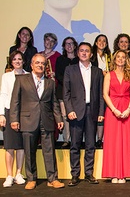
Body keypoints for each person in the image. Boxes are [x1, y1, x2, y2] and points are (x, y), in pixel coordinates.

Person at [9, 53, 64, 190]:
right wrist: (14, 119)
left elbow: (54, 103)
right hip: (28, 120)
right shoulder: (21, 79)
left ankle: (53, 179)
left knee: (49, 151)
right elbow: (15, 101)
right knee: (29, 150)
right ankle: (31, 179)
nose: (40, 65)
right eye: (37, 63)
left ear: (45, 66)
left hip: (46, 120)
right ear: (32, 65)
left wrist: (59, 118)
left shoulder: (50, 83)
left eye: (43, 63)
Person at [63, 42, 104, 186]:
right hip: (75, 112)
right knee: (74, 144)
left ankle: (89, 173)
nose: (84, 53)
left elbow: (100, 95)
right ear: (77, 53)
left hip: (91, 111)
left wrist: (100, 112)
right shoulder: (70, 70)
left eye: (87, 51)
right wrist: (69, 110)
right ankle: (75, 175)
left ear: (91, 54)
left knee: (90, 145)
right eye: (81, 51)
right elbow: (66, 93)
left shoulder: (98, 72)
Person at [102, 50, 130, 183]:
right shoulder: (108, 75)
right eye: (118, 57)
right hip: (112, 110)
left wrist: (129, 109)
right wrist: (114, 110)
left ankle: (124, 174)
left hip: (126, 109)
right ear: (114, 59)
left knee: (126, 141)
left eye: (123, 57)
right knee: (112, 142)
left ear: (126, 59)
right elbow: (105, 94)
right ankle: (113, 173)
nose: (121, 59)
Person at [0, 51, 27, 187]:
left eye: (20, 59)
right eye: (14, 59)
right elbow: (3, 94)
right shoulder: (6, 76)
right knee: (10, 146)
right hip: (9, 111)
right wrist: (1, 114)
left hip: (24, 113)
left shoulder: (28, 75)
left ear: (23, 61)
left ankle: (18, 173)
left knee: (21, 146)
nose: (17, 61)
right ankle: (9, 175)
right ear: (11, 62)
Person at [55, 37, 79, 148]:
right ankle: (66, 140)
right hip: (63, 92)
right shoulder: (60, 59)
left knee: (77, 115)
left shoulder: (79, 60)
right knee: (65, 116)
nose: (69, 46)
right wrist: (68, 82)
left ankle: (76, 140)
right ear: (64, 46)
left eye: (71, 44)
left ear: (75, 46)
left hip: (78, 93)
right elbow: (58, 75)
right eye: (67, 44)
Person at [91, 34, 112, 148]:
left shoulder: (109, 57)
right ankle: (92, 138)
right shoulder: (91, 55)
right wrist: (101, 73)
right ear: (95, 43)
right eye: (99, 40)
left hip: (106, 85)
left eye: (104, 41)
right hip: (94, 85)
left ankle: (100, 138)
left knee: (102, 112)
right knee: (94, 111)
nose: (102, 43)